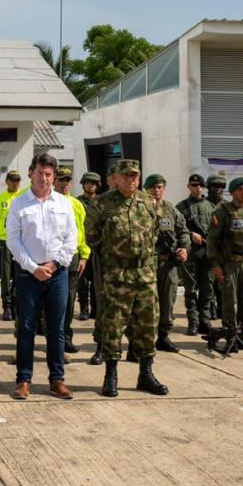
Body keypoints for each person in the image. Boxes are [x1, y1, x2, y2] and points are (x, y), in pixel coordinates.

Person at [87, 159, 168, 397]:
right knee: (113, 324)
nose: (131, 180)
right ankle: (111, 374)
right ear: (116, 178)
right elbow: (92, 236)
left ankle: (146, 374)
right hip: (117, 274)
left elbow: (155, 232)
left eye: (135, 176)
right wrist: (115, 254)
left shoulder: (149, 202)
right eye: (126, 176)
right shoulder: (101, 204)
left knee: (148, 324)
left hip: (144, 274)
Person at [7, 153, 77, 400]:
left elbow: (71, 239)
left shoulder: (63, 203)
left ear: (54, 177)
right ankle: (23, 380)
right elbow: (13, 240)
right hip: (28, 274)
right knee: (26, 327)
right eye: (40, 173)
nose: (44, 178)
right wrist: (32, 267)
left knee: (56, 328)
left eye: (49, 174)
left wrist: (55, 264)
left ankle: (57, 380)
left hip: (57, 274)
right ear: (30, 173)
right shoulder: (19, 204)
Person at [208, 177, 243, 354]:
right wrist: (215, 265)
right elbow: (212, 241)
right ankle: (231, 337)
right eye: (240, 190)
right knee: (229, 301)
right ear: (232, 192)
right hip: (230, 264)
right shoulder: (222, 212)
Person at [144, 173, 189, 355]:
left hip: (167, 263)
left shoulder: (170, 209)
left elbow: (183, 231)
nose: (156, 191)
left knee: (168, 300)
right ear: (146, 190)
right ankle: (143, 340)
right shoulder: (141, 209)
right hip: (147, 264)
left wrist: (184, 248)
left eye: (160, 187)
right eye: (153, 187)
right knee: (146, 302)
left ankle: (163, 337)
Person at [50, 167, 90, 356]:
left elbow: (82, 231)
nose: (65, 184)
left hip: (72, 257)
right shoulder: (46, 201)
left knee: (69, 300)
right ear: (54, 181)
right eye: (61, 180)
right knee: (50, 302)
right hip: (51, 258)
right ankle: (51, 337)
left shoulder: (76, 204)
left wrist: (84, 255)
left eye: (68, 180)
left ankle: (65, 337)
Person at [177, 174, 216, 336]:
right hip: (191, 253)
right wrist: (190, 234)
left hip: (207, 253)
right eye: (194, 185)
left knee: (207, 288)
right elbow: (176, 228)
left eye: (200, 185)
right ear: (188, 187)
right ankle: (193, 322)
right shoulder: (181, 207)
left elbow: (217, 229)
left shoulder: (211, 206)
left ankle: (205, 321)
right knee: (191, 289)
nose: (197, 187)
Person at [0, 169, 23, 321]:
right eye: (12, 180)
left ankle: (17, 305)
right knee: (6, 275)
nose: (15, 183)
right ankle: (7, 306)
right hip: (4, 241)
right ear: (7, 182)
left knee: (19, 274)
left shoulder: (24, 198)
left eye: (17, 180)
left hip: (20, 241)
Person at [76, 172, 102, 323]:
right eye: (87, 183)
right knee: (83, 280)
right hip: (82, 244)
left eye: (93, 183)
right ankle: (84, 309)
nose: (90, 186)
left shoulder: (101, 202)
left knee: (97, 279)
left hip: (97, 245)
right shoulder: (77, 202)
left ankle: (95, 309)